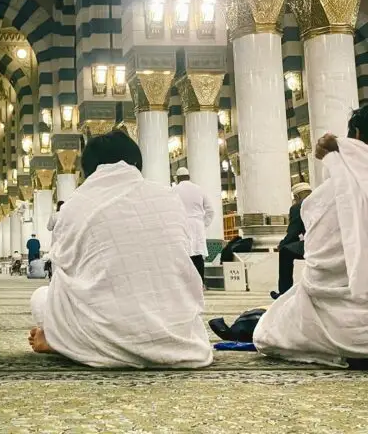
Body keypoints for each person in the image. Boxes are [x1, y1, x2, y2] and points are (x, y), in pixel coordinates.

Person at [28, 131, 212, 368]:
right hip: (178, 335)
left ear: (88, 170)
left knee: (41, 298)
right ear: (136, 163)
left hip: (104, 335)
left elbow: (62, 273)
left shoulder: (75, 204)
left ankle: (63, 341)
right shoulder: (169, 197)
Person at [254, 105, 368, 367]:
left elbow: (319, 270)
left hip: (346, 332)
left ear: (357, 135)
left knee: (269, 329)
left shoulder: (325, 199)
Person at [270, 182, 312, 300]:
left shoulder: (298, 206)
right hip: (333, 243)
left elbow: (293, 232)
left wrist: (282, 244)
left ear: (296, 197)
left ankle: (284, 292)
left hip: (314, 244)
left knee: (285, 252)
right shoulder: (320, 201)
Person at [173, 167, 215, 282]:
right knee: (198, 255)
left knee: (184, 256)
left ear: (177, 178)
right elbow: (211, 210)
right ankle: (201, 283)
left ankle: (186, 285)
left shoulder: (174, 190)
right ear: (189, 177)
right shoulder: (199, 189)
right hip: (197, 226)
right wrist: (203, 224)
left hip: (182, 225)